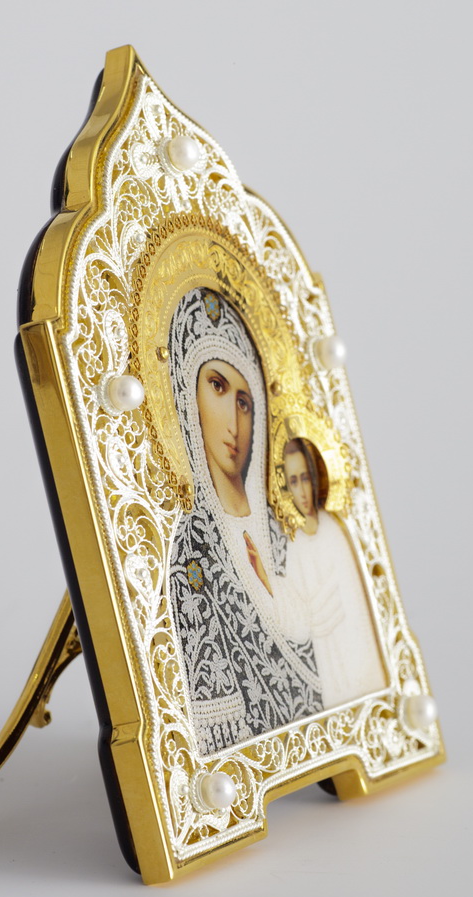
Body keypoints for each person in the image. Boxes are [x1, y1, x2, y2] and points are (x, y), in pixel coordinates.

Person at [168, 288, 322, 756]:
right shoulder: (191, 547)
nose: (234, 423)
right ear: (188, 394)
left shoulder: (283, 531)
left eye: (245, 402)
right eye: (216, 386)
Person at [282, 438, 387, 709]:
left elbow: (357, 598)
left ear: (315, 478)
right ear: (286, 488)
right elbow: (299, 620)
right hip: (330, 662)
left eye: (305, 478)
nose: (302, 491)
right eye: (294, 481)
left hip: (359, 647)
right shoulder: (295, 546)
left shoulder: (334, 530)